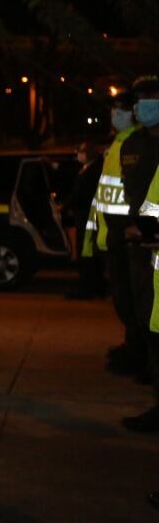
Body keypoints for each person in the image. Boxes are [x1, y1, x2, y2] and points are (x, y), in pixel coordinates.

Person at [84, 89, 146, 378]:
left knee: (136, 302)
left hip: (131, 235)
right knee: (124, 300)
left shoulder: (137, 143)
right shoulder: (120, 142)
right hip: (116, 235)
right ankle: (132, 348)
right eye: (114, 108)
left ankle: (139, 355)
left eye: (121, 108)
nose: (116, 113)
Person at [122, 76, 159, 429]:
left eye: (151, 96)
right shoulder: (131, 143)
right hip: (140, 251)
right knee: (150, 325)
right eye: (140, 98)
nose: (144, 103)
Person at [65, 141, 106, 300]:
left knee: (87, 254)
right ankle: (97, 287)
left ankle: (87, 288)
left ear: (88, 154)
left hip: (89, 217)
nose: (78, 155)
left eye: (81, 152)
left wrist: (66, 205)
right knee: (91, 255)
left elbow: (80, 193)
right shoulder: (88, 168)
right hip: (88, 217)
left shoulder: (93, 171)